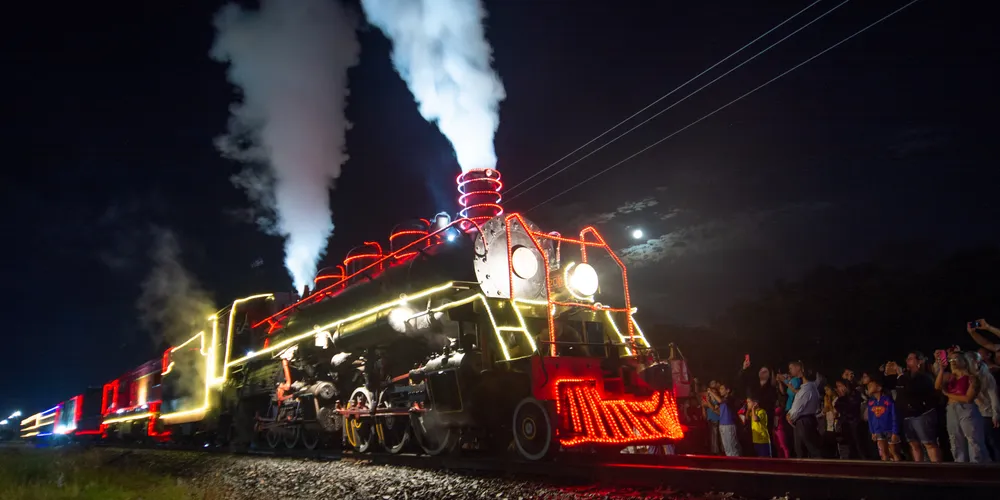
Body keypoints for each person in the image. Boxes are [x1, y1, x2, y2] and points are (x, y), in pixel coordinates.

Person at [934, 350, 989, 462]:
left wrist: (947, 394)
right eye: (951, 359)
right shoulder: (949, 377)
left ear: (964, 361)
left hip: (967, 410)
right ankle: (960, 465)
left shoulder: (972, 378)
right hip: (951, 409)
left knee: (973, 439)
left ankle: (977, 466)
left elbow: (968, 398)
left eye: (956, 359)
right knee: (955, 440)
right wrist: (942, 370)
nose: (953, 361)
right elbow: (937, 386)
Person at [887, 353, 942, 462]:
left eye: (911, 359)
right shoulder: (905, 376)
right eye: (907, 359)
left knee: (929, 443)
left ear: (919, 361)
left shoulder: (924, 376)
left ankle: (937, 469)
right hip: (907, 416)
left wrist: (900, 375)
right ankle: (919, 468)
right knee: (914, 444)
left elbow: (912, 390)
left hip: (921, 415)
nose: (907, 361)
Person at [969, 351, 1000, 460]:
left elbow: (994, 396)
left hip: (986, 414)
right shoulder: (968, 376)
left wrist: (995, 414)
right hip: (974, 413)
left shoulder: (986, 376)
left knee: (992, 443)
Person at [786, 368, 822, 458]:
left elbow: (798, 407)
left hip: (803, 421)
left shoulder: (806, 389)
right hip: (809, 419)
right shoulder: (813, 388)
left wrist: (790, 416)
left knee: (804, 450)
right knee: (808, 449)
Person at [866, 375, 902, 461]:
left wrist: (895, 432)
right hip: (878, 430)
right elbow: (870, 418)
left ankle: (899, 468)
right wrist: (872, 432)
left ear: (879, 387)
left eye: (871, 385)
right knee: (883, 453)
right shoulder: (871, 402)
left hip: (889, 430)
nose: (869, 387)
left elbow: (894, 416)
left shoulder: (887, 400)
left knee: (894, 452)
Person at [834, 378, 866, 459]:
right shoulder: (841, 398)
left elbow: (851, 408)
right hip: (845, 425)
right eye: (837, 386)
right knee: (846, 448)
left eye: (840, 386)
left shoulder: (855, 395)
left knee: (858, 447)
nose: (839, 389)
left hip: (855, 425)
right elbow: (838, 407)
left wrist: (843, 397)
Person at [711, 383, 742, 457]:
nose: (720, 390)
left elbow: (720, 401)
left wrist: (711, 392)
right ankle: (730, 460)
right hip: (722, 424)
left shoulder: (730, 398)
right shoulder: (723, 400)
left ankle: (736, 461)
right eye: (720, 389)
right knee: (727, 447)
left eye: (722, 389)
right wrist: (709, 402)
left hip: (729, 424)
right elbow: (718, 411)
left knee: (732, 446)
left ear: (727, 390)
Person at [701, 382, 722, 455]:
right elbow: (704, 415)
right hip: (710, 421)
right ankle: (714, 452)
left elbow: (717, 411)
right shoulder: (708, 401)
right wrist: (703, 407)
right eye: (710, 392)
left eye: (713, 392)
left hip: (717, 420)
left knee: (716, 438)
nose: (711, 394)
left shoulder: (717, 401)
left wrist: (708, 403)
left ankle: (718, 453)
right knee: (712, 438)